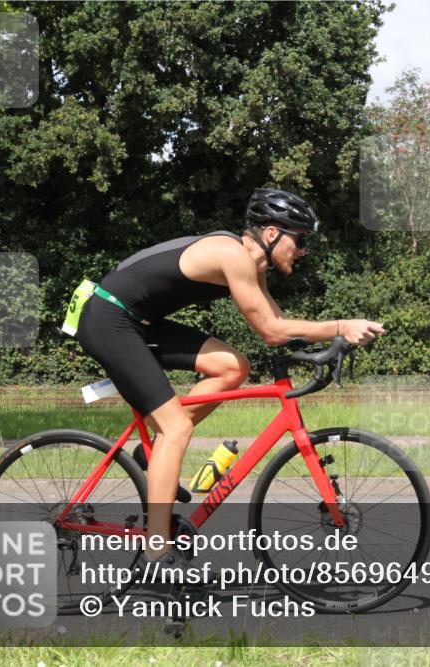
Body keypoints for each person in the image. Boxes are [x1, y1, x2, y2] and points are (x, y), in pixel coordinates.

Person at [74, 188, 384, 582]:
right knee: (177, 427)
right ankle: (157, 553)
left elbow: (281, 324)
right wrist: (340, 326)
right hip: (109, 320)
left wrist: (322, 346)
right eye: (300, 239)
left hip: (137, 321)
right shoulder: (233, 255)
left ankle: (152, 455)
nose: (303, 250)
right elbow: (272, 331)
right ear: (271, 234)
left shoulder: (253, 266)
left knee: (232, 366)